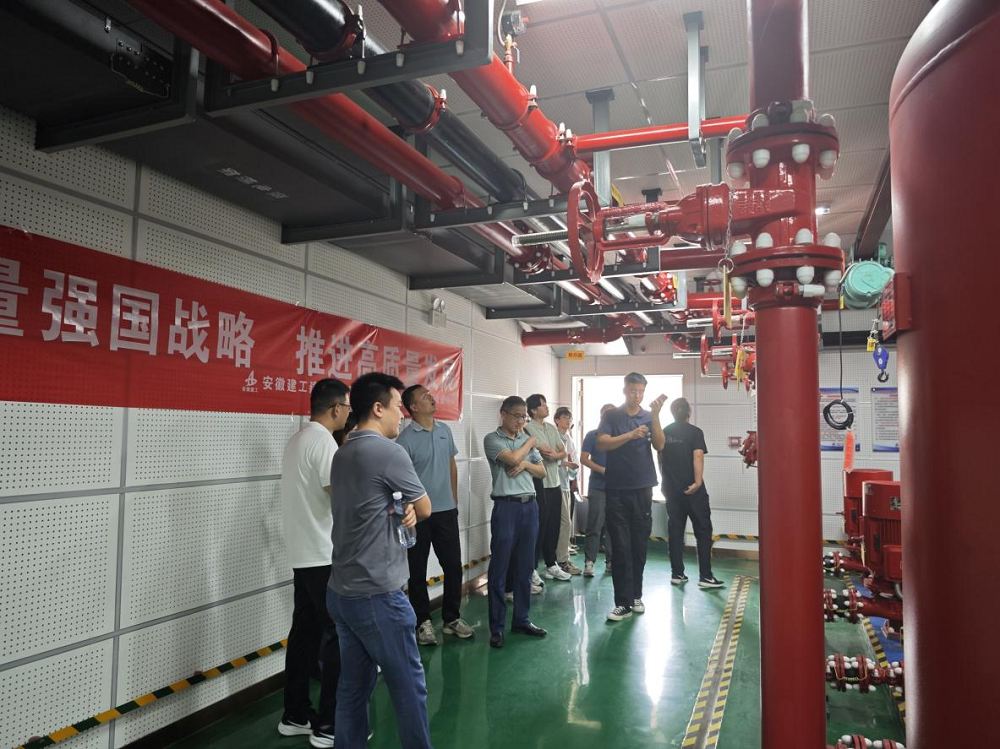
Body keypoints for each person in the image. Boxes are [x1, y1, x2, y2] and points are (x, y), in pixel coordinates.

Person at [327, 372, 433, 749]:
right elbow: (425, 506)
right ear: (377, 408)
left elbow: (372, 504)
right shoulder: (389, 452)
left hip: (342, 591)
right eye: (397, 407)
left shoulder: (342, 452)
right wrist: (409, 507)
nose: (401, 415)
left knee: (353, 688)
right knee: (409, 688)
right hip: (379, 595)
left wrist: (400, 506)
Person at [278, 379, 352, 747]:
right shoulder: (324, 443)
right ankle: (330, 724)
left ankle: (295, 714)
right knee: (337, 635)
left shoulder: (297, 439)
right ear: (336, 408)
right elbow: (339, 495)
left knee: (305, 634)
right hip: (323, 555)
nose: (349, 413)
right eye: (348, 407)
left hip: (303, 554)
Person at [398, 384, 474, 646]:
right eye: (425, 396)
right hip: (418, 515)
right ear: (413, 407)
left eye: (430, 394)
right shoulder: (405, 439)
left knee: (453, 566)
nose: (432, 398)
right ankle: (423, 622)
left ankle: (452, 618)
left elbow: (451, 464)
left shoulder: (444, 430)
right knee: (416, 570)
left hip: (446, 511)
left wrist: (453, 497)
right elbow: (401, 478)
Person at [596, 373, 667, 622]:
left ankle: (636, 595)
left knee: (639, 545)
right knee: (621, 546)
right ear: (625, 390)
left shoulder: (648, 416)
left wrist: (655, 415)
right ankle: (622, 603)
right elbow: (602, 443)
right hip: (616, 489)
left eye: (641, 391)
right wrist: (630, 435)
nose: (637, 395)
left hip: (643, 488)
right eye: (633, 390)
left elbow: (659, 445)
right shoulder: (612, 416)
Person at [483, 395, 549, 648]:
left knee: (525, 566)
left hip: (530, 506)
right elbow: (510, 459)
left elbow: (541, 471)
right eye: (517, 416)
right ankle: (497, 627)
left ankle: (522, 619)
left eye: (524, 417)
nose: (521, 421)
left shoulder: (523, 440)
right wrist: (530, 443)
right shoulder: (492, 439)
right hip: (506, 507)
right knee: (499, 568)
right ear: (503, 414)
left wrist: (525, 465)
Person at [661, 397, 724, 588]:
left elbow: (660, 458)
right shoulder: (695, 432)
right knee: (703, 531)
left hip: (672, 490)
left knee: (675, 531)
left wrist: (666, 481)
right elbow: (698, 456)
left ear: (672, 413)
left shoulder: (665, 432)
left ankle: (677, 574)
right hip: (693, 491)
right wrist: (697, 482)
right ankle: (705, 576)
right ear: (689, 412)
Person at [524, 394, 572, 582]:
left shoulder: (551, 427)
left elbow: (561, 452)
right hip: (540, 485)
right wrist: (557, 454)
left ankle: (551, 565)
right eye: (543, 405)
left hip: (555, 483)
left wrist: (557, 454)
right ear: (533, 410)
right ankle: (532, 568)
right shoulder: (529, 428)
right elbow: (548, 454)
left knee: (554, 525)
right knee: (540, 526)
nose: (546, 407)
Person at [580, 403, 616, 578]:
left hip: (617, 488)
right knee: (594, 524)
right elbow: (583, 459)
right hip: (597, 486)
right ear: (601, 417)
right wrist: (602, 470)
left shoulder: (619, 437)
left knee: (613, 526)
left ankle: (611, 561)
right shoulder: (592, 435)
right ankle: (589, 562)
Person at [553, 407, 582, 575]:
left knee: (566, 523)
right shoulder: (553, 435)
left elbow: (574, 459)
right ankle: (561, 560)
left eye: (570, 418)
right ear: (556, 420)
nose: (568, 421)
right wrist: (565, 463)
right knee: (563, 523)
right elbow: (548, 458)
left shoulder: (568, 438)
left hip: (565, 483)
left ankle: (562, 558)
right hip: (553, 484)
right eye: (565, 417)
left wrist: (573, 470)